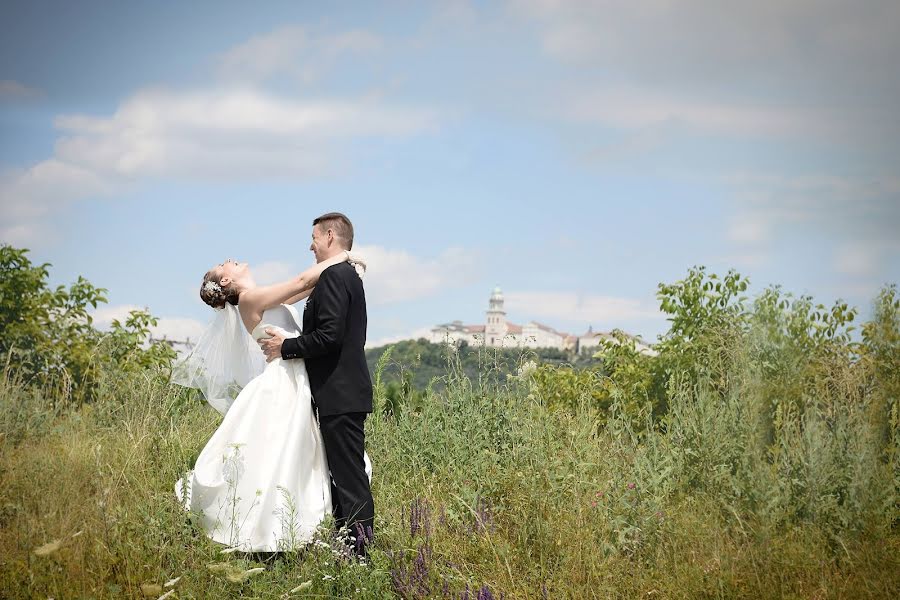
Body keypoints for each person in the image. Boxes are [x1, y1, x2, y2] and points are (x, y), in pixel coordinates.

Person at [172, 249, 363, 552]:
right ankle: (272, 530)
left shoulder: (262, 296)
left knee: (298, 454)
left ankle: (300, 527)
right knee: (282, 453)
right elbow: (301, 279)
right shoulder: (250, 299)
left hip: (298, 379)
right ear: (225, 278)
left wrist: (345, 273)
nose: (230, 259)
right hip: (282, 382)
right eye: (225, 263)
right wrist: (343, 255)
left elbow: (307, 287)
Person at [259, 212, 375, 555]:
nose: (310, 245)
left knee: (350, 479)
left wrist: (286, 348)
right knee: (342, 477)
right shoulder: (343, 275)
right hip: (340, 393)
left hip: (340, 394)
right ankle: (350, 549)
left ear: (329, 236)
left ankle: (361, 557)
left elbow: (330, 335)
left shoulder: (336, 276)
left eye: (313, 238)